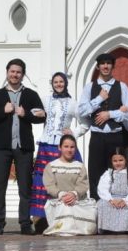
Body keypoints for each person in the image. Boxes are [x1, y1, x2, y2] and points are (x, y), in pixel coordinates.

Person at [0, 58, 46, 235]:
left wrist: (25, 114)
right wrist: (3, 111)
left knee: (25, 186)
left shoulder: (31, 95)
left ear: (23, 74)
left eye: (18, 72)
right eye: (12, 71)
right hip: (2, 147)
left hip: (23, 147)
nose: (15, 75)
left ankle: (25, 223)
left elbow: (41, 116)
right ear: (7, 72)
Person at [30, 72, 86, 233]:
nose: (59, 84)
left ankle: (69, 219)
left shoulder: (73, 103)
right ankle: (40, 220)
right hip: (46, 145)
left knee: (67, 180)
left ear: (65, 83)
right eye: (56, 82)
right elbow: (33, 111)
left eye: (61, 81)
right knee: (42, 182)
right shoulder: (45, 100)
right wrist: (41, 114)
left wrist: (73, 133)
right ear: (52, 83)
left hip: (63, 146)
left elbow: (85, 122)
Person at [77, 53, 128, 199]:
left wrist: (111, 114)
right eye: (102, 63)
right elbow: (82, 111)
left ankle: (117, 207)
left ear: (112, 66)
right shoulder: (89, 87)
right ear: (98, 66)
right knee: (95, 173)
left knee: (117, 173)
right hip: (97, 136)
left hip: (116, 136)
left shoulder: (122, 86)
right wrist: (99, 99)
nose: (105, 66)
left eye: (108, 63)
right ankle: (97, 209)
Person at [41, 134, 96, 236]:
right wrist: (62, 195)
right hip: (59, 200)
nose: (69, 150)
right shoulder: (51, 166)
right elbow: (50, 185)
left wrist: (74, 194)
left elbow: (83, 185)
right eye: (66, 146)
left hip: (77, 199)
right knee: (66, 207)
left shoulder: (79, 166)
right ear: (60, 147)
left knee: (90, 211)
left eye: (72, 147)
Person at [96, 147, 128, 234]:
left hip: (127, 199)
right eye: (115, 161)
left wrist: (126, 200)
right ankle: (106, 228)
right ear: (111, 161)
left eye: (121, 160)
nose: (118, 163)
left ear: (126, 160)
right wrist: (111, 200)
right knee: (101, 204)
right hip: (112, 199)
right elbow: (102, 188)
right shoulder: (108, 173)